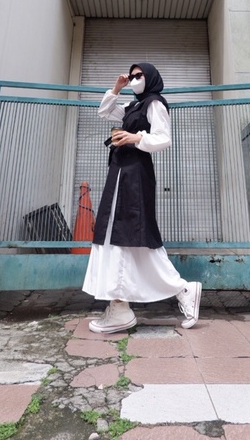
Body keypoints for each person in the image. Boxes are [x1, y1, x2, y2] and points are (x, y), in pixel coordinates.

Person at [82, 62, 202, 334]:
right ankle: (123, 306)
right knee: (121, 233)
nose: (134, 79)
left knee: (131, 231)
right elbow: (104, 112)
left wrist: (135, 138)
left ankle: (128, 307)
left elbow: (164, 138)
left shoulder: (154, 103)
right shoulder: (133, 105)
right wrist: (117, 88)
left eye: (139, 76)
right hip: (121, 171)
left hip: (135, 173)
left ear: (151, 78)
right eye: (132, 75)